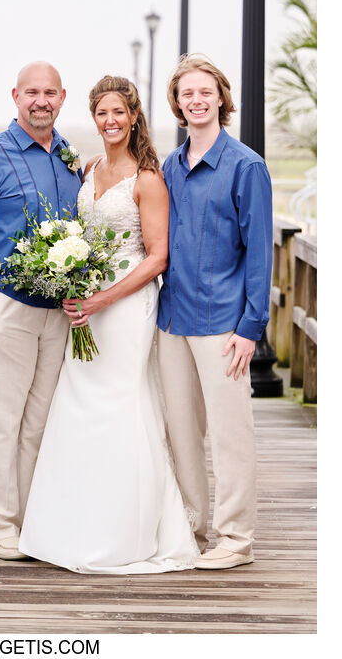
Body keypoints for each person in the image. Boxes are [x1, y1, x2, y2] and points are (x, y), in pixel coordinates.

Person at [19, 75, 198, 574]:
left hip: (125, 307)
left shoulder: (148, 179)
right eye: (102, 113)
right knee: (76, 404)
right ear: (93, 118)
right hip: (86, 303)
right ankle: (68, 527)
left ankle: (125, 533)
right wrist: (70, 283)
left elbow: (158, 257)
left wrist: (102, 299)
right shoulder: (89, 166)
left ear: (134, 116)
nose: (111, 121)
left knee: (122, 405)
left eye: (119, 112)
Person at [0, 61, 82, 560]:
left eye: (50, 93)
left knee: (39, 425)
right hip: (6, 307)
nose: (41, 101)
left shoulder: (69, 158)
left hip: (56, 312)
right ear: (15, 96)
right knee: (1, 421)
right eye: (32, 92)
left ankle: (32, 522)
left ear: (62, 97)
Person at [156, 54, 272, 570]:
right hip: (172, 320)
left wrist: (251, 328)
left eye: (206, 91)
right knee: (181, 430)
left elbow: (261, 252)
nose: (197, 100)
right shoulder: (170, 167)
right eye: (187, 94)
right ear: (177, 105)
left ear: (222, 97)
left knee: (230, 434)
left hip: (224, 323)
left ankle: (235, 537)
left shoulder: (246, 166)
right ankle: (190, 523)